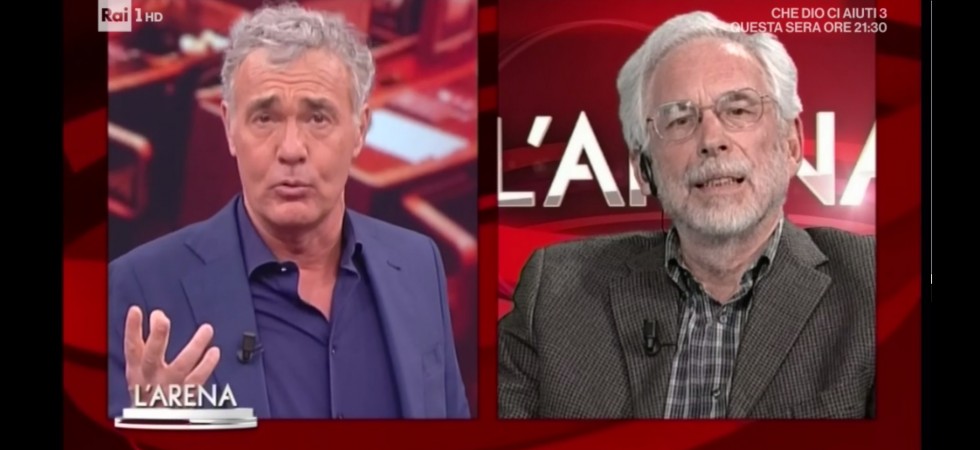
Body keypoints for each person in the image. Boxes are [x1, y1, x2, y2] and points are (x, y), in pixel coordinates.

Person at [497, 11, 875, 419]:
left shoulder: (875, 283)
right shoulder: (554, 292)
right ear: (645, 169)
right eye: (679, 119)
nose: (712, 140)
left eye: (739, 110)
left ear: (791, 145)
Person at [108, 3, 470, 419]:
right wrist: (158, 425)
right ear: (229, 127)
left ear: (359, 129)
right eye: (265, 118)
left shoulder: (420, 264)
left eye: (318, 118)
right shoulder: (138, 289)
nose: (292, 149)